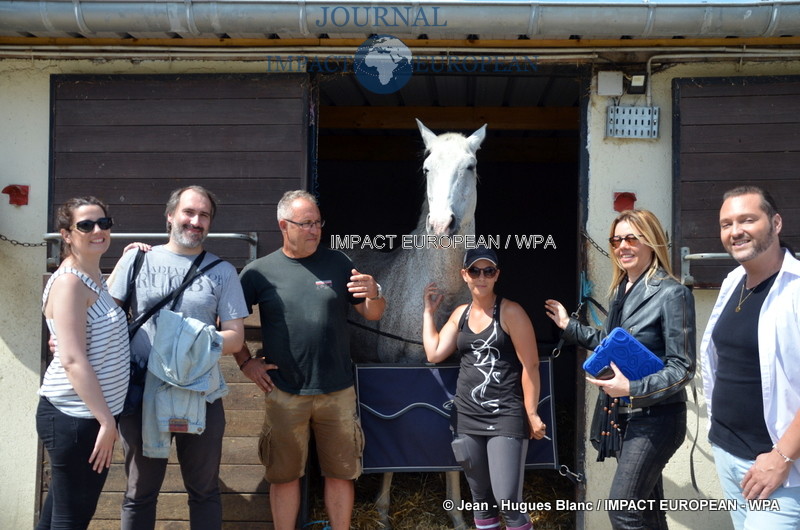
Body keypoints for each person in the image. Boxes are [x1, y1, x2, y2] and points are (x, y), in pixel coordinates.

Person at [236, 189, 386, 530]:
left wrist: (375, 293)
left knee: (341, 473)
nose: (314, 230)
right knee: (284, 476)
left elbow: (372, 313)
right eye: (305, 223)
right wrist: (246, 363)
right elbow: (228, 324)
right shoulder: (258, 272)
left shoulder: (339, 262)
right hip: (285, 391)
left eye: (318, 223)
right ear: (283, 225)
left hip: (337, 390)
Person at [544, 209, 695, 529]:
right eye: (616, 240)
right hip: (622, 418)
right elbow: (610, 343)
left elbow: (682, 368)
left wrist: (632, 388)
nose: (621, 246)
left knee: (622, 508)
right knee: (648, 511)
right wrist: (569, 326)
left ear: (651, 242)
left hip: (657, 418)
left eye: (631, 238)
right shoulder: (621, 292)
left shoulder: (672, 293)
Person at [108, 186, 247, 529]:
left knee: (204, 491)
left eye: (204, 215)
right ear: (170, 216)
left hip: (200, 393)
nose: (195, 221)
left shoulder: (223, 272)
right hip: (142, 394)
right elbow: (106, 320)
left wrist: (188, 341)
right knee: (139, 492)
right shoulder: (136, 259)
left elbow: (235, 338)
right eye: (188, 212)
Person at [423, 246, 547, 530]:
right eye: (475, 271)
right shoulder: (460, 314)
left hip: (505, 415)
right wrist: (429, 313)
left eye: (488, 271)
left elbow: (531, 366)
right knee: (481, 501)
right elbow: (434, 353)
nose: (482, 277)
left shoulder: (511, 311)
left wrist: (532, 413)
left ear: (497, 275)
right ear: (464, 275)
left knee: (508, 502)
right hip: (467, 417)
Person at [700, 186, 800, 529]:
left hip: (781, 471)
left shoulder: (797, 288)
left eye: (747, 219)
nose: (735, 230)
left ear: (775, 223)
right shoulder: (733, 282)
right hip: (729, 455)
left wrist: (782, 457)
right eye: (726, 223)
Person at [37, 197, 130, 529]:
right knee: (72, 518)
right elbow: (73, 359)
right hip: (76, 418)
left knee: (59, 516)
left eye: (103, 223)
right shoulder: (70, 283)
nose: (97, 231)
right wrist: (107, 422)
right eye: (86, 225)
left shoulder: (92, 275)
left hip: (87, 416)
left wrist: (130, 255)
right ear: (66, 234)